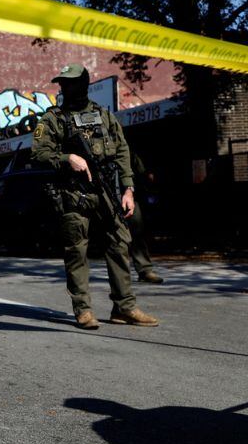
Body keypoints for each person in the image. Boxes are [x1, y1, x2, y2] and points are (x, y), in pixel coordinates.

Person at [30, 64, 159, 330]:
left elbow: (122, 152)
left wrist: (128, 189)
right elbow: (38, 154)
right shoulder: (53, 119)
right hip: (74, 194)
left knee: (120, 246)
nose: (66, 88)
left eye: (72, 83)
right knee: (77, 252)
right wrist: (68, 158)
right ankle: (83, 310)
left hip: (107, 193)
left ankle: (124, 307)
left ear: (84, 84)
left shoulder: (104, 116)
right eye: (63, 83)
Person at [127, 152, 164, 284]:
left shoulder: (126, 145)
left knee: (136, 228)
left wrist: (145, 174)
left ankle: (144, 269)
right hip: (101, 189)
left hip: (128, 190)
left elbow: (136, 162)